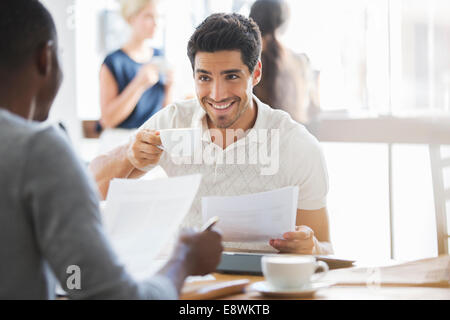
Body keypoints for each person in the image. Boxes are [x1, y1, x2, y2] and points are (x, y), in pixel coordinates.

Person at [0, 0, 222, 300]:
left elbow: (74, 276)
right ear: (46, 58)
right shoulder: (38, 150)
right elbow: (109, 295)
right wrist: (183, 258)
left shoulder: (160, 61)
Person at [89, 13, 333, 255]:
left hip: (262, 286)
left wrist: (311, 247)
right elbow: (90, 187)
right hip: (187, 281)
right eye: (204, 77)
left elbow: (325, 247)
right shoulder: (174, 121)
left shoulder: (297, 145)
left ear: (255, 73)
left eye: (231, 76)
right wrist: (127, 154)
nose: (217, 94)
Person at [97, 0, 173, 149]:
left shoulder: (160, 57)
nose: (156, 23)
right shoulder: (113, 62)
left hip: (153, 142)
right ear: (132, 19)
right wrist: (139, 84)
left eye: (158, 17)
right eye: (149, 16)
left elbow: (166, 116)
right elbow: (108, 120)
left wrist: (170, 87)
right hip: (119, 143)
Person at [249, 0, 320, 124]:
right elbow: (314, 110)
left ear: (252, 19)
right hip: (295, 136)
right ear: (284, 23)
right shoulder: (300, 62)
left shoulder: (246, 61)